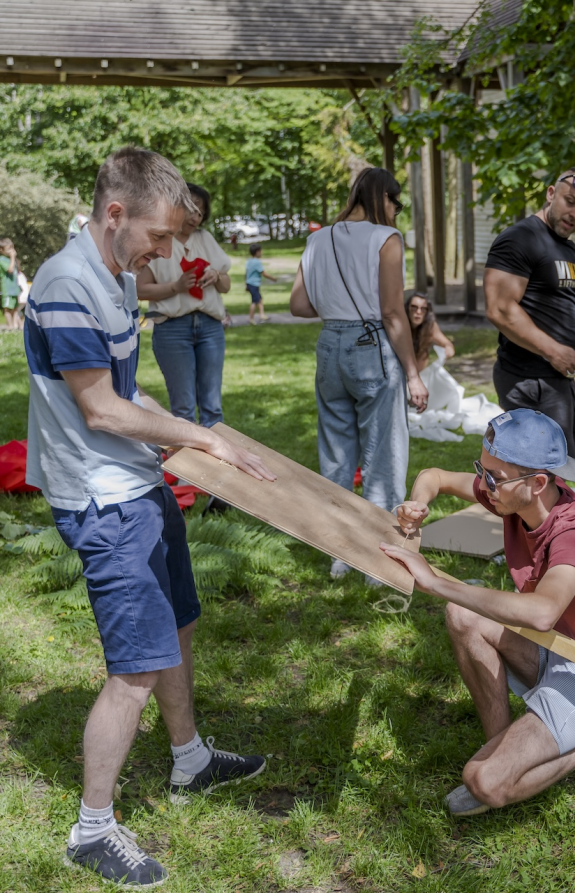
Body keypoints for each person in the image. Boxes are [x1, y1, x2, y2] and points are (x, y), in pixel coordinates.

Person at [24, 147, 277, 887]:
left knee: (180, 622)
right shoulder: (68, 281)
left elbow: (133, 393)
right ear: (114, 214)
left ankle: (190, 758)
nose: (166, 253)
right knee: (134, 668)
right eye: (158, 237)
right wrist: (199, 434)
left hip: (139, 482)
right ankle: (91, 827)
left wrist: (202, 435)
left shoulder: (112, 273)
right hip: (103, 500)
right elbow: (100, 407)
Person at [381, 408, 575, 817]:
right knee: (462, 615)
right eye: (481, 471)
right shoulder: (511, 496)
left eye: (494, 477)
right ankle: (502, 749)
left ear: (538, 483)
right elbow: (433, 475)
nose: (484, 486)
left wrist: (435, 581)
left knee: (483, 781)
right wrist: (416, 506)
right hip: (559, 651)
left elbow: (542, 612)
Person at [290, 167, 428, 582]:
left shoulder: (317, 239)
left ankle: (339, 553)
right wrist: (412, 373)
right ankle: (376, 558)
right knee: (383, 454)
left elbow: (298, 305)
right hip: (371, 346)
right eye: (396, 201)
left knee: (336, 451)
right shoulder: (386, 239)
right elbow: (391, 311)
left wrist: (336, 308)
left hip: (330, 343)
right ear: (382, 197)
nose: (396, 209)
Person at [485, 168, 575, 457]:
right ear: (551, 194)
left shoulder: (570, 250)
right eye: (570, 201)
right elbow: (500, 309)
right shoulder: (519, 239)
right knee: (534, 478)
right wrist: (554, 352)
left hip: (558, 381)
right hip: (528, 381)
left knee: (558, 472)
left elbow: (573, 315)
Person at [136, 183, 232, 427]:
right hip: (173, 329)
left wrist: (217, 277)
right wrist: (175, 287)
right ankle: (187, 464)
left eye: (201, 212)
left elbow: (226, 285)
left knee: (213, 407)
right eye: (191, 209)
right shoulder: (158, 241)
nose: (196, 217)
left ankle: (218, 464)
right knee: (184, 408)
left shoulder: (205, 239)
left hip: (210, 326)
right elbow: (140, 289)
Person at [404, 291, 455, 370]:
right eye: (414, 307)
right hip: (398, 366)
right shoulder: (401, 323)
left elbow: (447, 344)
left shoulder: (429, 326)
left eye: (423, 309)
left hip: (418, 369)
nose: (418, 312)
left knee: (424, 351)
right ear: (408, 308)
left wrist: (448, 349)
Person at [246, 242, 276, 324]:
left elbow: (246, 273)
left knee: (259, 299)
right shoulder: (257, 262)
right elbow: (263, 273)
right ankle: (251, 318)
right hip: (254, 284)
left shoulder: (249, 261)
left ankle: (262, 315)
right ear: (257, 252)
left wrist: (246, 284)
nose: (261, 253)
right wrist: (272, 278)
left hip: (250, 283)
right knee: (254, 301)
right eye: (260, 251)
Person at [0, 238, 22, 329]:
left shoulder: (11, 260)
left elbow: (18, 271)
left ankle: (14, 325)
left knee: (15, 308)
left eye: (12, 248)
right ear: (1, 250)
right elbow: (10, 270)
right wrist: (13, 257)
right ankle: (10, 326)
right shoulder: (2, 260)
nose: (11, 251)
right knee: (8, 308)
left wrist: (14, 258)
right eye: (8, 249)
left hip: (14, 288)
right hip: (7, 289)